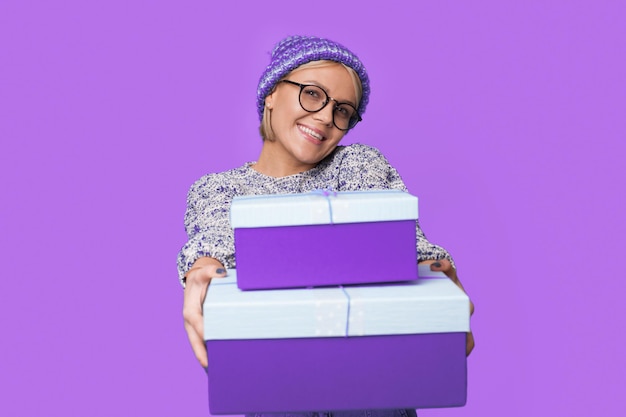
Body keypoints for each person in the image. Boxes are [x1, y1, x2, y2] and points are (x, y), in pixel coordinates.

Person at [177, 35, 475, 416]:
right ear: (271, 92)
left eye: (343, 110)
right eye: (313, 94)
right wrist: (202, 270)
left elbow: (401, 237)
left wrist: (438, 290)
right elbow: (215, 242)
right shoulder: (219, 189)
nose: (325, 117)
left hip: (372, 389)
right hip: (280, 388)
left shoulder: (357, 164)